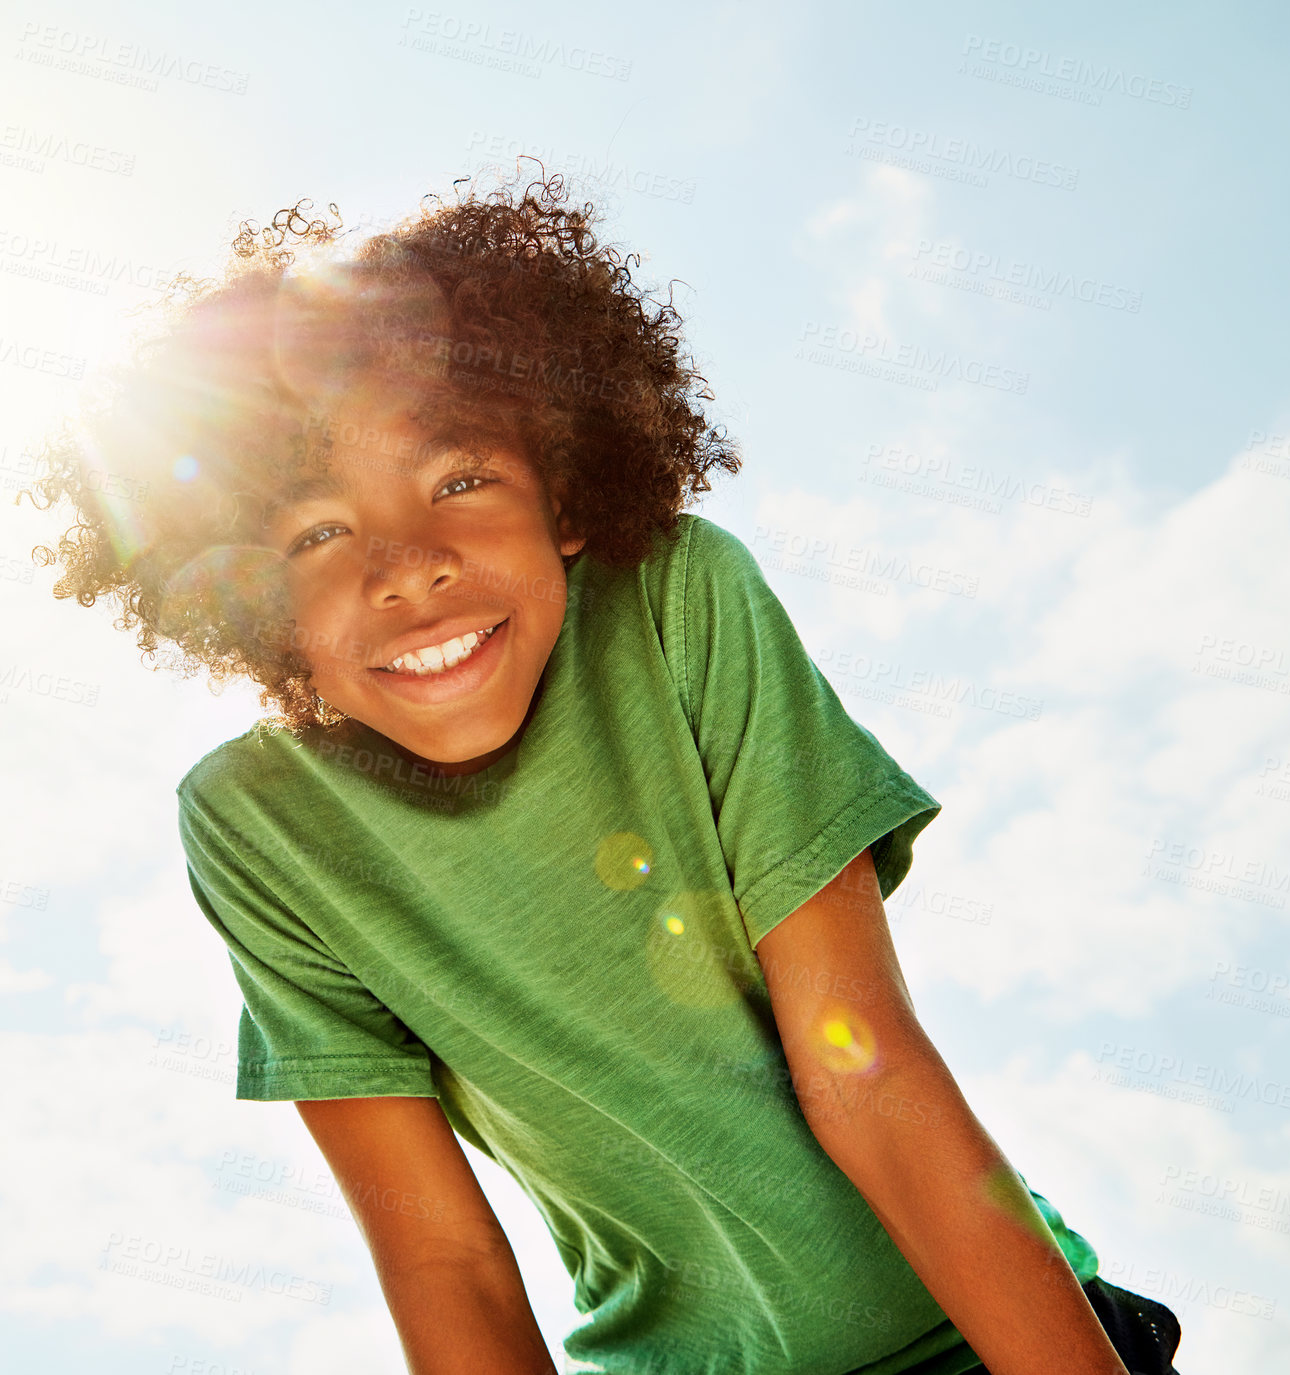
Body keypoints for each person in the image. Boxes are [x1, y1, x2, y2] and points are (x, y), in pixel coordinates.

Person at [22, 165, 1182, 1375]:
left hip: (994, 1337)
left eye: (459, 480)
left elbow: (867, 1068)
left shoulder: (681, 597)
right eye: (316, 532)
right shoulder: (261, 823)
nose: (406, 565)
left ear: (566, 496)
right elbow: (446, 1262)